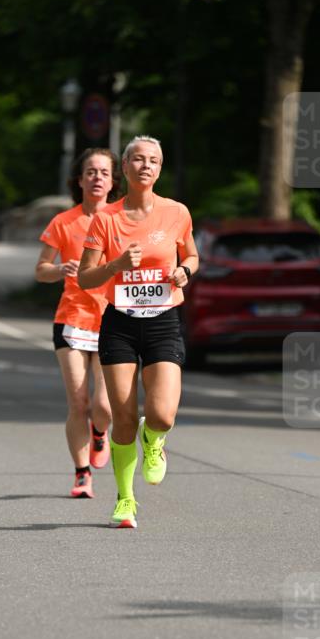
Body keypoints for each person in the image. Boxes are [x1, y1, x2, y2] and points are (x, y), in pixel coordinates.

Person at [78, 135, 199, 529]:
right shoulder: (105, 218)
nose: (146, 166)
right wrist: (115, 266)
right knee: (124, 418)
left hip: (164, 321)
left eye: (154, 161)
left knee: (162, 415)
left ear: (159, 169)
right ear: (125, 167)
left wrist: (185, 270)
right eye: (139, 159)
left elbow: (192, 254)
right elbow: (84, 277)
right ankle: (125, 498)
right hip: (121, 325)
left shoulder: (177, 212)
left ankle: (155, 439)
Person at [35, 148, 120, 499]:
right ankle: (82, 473)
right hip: (71, 319)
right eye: (91, 172)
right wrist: (59, 269)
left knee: (104, 405)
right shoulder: (63, 222)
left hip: (112, 318)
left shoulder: (121, 219)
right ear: (80, 179)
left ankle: (100, 433)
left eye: (104, 172)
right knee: (78, 402)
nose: (97, 178)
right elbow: (41, 270)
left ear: (113, 182)